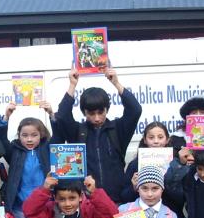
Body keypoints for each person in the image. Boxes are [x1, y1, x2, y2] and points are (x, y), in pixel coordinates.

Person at [55, 67, 142, 203]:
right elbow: (62, 116)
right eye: (91, 113)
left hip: (118, 200)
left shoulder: (118, 129)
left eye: (100, 112)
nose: (96, 118)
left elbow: (135, 110)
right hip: (88, 201)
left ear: (107, 109)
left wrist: (116, 83)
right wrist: (72, 85)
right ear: (84, 112)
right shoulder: (78, 132)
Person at [0, 101, 59, 218]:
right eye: (25, 135)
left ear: (42, 135)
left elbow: (59, 135)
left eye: (34, 135)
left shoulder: (47, 149)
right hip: (20, 209)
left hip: (44, 208)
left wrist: (52, 115)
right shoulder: (15, 150)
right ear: (19, 136)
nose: (29, 139)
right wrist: (5, 118)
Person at [120, 121, 175, 204]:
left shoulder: (175, 164)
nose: (156, 141)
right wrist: (134, 188)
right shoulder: (135, 165)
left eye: (160, 137)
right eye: (151, 137)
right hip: (141, 213)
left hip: (169, 213)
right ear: (145, 140)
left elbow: (182, 198)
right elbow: (124, 197)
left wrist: (167, 182)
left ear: (167, 139)